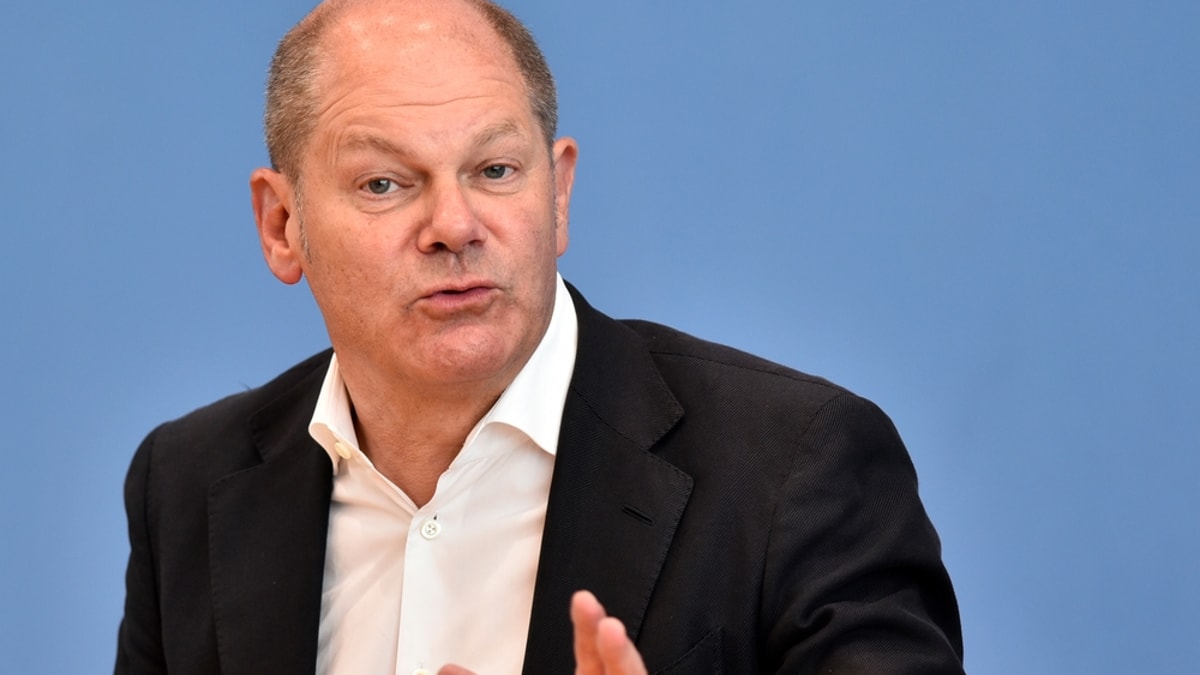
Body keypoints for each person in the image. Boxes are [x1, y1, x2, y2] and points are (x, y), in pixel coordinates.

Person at [114, 0, 965, 673]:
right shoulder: (186, 485)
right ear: (282, 224)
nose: (454, 225)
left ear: (558, 195)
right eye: (384, 183)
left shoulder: (793, 468)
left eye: (495, 170)